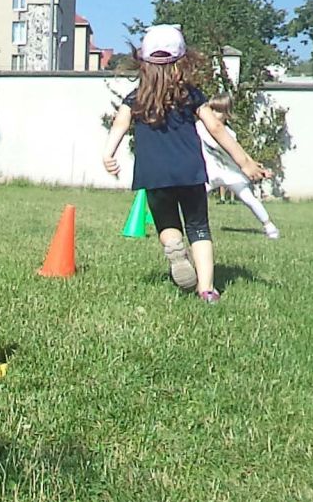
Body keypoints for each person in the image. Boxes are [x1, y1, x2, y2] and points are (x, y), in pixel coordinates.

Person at [103, 23, 268, 303]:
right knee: (199, 226)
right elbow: (216, 128)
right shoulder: (190, 95)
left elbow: (120, 122)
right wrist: (245, 162)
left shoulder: (136, 98)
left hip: (152, 173)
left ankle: (174, 249)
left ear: (143, 62)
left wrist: (108, 154)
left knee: (168, 223)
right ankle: (207, 290)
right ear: (182, 62)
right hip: (189, 171)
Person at [197, 93, 280, 239]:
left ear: (227, 114)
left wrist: (257, 168)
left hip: (231, 173)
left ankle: (269, 226)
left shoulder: (229, 134)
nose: (215, 115)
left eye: (219, 111)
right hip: (210, 173)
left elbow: (240, 153)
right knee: (195, 197)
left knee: (249, 199)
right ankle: (196, 227)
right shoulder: (200, 126)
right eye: (213, 110)